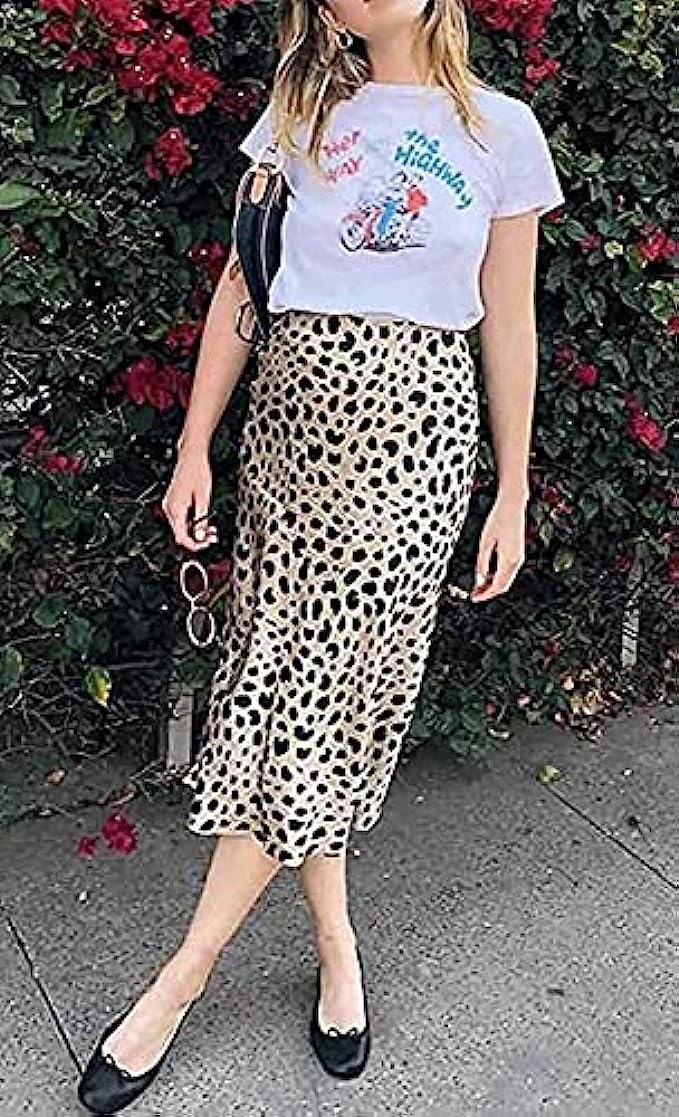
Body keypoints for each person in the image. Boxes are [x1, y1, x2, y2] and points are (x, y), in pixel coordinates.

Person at [77, 0, 565, 1109]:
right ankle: (337, 941)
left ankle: (183, 975)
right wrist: (194, 444)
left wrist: (513, 488)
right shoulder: (297, 111)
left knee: (310, 701)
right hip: (289, 443)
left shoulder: (500, 129)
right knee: (293, 696)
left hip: (411, 449)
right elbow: (242, 286)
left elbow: (509, 321)